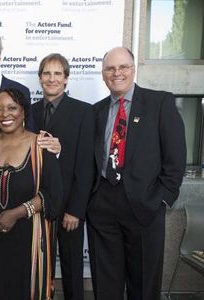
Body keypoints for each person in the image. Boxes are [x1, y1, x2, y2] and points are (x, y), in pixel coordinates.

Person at [87, 47, 186, 300]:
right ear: (103, 74)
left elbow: (175, 158)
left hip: (145, 207)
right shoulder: (95, 112)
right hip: (102, 207)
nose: (116, 73)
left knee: (143, 285)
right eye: (110, 68)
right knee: (105, 285)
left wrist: (162, 199)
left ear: (133, 69)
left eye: (123, 67)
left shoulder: (159, 103)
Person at [0, 88, 63, 300]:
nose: (5, 114)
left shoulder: (41, 144)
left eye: (12, 108)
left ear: (24, 111)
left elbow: (54, 194)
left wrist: (17, 213)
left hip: (28, 241)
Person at [30, 53, 95, 300]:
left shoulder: (83, 112)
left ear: (66, 79)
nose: (52, 78)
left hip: (69, 209)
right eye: (47, 73)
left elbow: (86, 165)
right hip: (37, 206)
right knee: (38, 268)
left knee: (71, 269)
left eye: (58, 74)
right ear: (40, 78)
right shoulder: (29, 111)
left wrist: (76, 210)